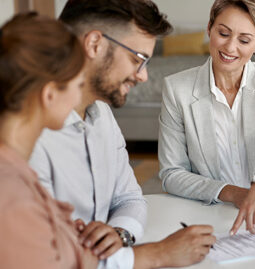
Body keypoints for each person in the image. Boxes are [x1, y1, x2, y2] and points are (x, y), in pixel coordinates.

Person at [0, 12, 215, 269]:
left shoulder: (19, 172)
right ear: (49, 95)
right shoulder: (11, 190)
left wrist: (72, 235)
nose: (82, 98)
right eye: (78, 84)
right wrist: (157, 254)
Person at [29, 0, 167, 260]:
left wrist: (119, 233)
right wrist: (158, 255)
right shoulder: (29, 135)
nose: (143, 76)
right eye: (137, 59)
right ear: (94, 44)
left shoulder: (102, 114)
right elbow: (44, 258)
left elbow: (130, 198)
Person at [158, 0, 255, 236]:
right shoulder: (177, 89)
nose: (230, 47)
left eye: (244, 40)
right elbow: (171, 174)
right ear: (209, 29)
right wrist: (235, 192)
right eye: (223, 33)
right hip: (210, 211)